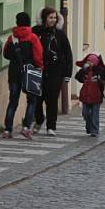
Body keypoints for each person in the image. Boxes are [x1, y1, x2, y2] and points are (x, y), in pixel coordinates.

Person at [2, 12, 44, 139]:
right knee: (31, 101)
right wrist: (40, 69)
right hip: (30, 72)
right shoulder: (33, 38)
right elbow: (38, 56)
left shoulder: (12, 38)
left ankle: (7, 130)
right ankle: (26, 128)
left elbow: (6, 54)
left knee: (13, 101)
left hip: (14, 73)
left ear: (17, 22)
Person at [32, 7, 73, 136]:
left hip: (55, 72)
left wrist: (67, 74)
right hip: (38, 71)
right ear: (44, 19)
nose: (53, 20)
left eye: (55, 18)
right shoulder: (36, 32)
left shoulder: (60, 34)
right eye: (50, 17)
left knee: (52, 99)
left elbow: (67, 54)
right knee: (37, 99)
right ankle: (39, 120)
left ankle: (51, 126)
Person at [75, 53, 105, 137]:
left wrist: (99, 80)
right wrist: (82, 73)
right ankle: (88, 126)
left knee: (95, 114)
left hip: (96, 95)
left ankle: (94, 130)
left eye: (90, 61)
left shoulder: (99, 71)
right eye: (88, 61)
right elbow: (77, 77)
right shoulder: (85, 70)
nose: (88, 62)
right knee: (85, 113)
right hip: (86, 95)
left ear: (95, 62)